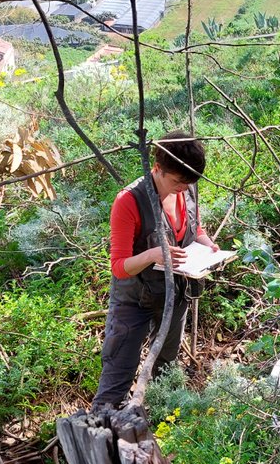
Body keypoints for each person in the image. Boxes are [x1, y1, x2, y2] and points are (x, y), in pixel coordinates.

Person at [93, 132, 220, 409]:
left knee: (166, 367)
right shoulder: (128, 201)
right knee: (118, 374)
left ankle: (161, 427)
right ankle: (98, 434)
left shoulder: (186, 187)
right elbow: (119, 267)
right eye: (177, 182)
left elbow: (192, 227)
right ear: (157, 168)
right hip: (134, 301)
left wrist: (208, 244)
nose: (184, 189)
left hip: (174, 296)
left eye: (189, 183)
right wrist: (153, 254)